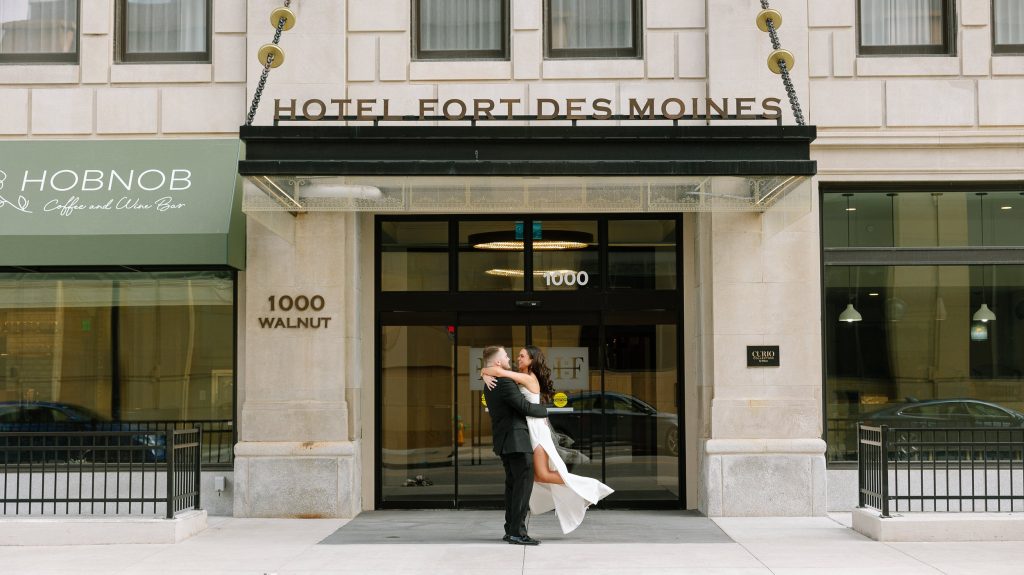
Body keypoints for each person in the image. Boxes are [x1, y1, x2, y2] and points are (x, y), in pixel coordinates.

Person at [482, 345, 613, 535]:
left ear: (532, 360)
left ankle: (585, 486)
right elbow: (497, 371)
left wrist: (486, 371)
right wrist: (486, 372)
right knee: (538, 475)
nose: (517, 358)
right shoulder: (512, 379)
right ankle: (580, 487)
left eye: (522, 356)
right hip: (528, 430)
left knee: (538, 475)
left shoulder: (527, 378)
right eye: (515, 356)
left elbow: (498, 371)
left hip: (536, 430)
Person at [480, 345, 549, 546]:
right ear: (498, 362)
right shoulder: (504, 382)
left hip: (505, 440)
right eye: (505, 355)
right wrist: (548, 411)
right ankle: (517, 532)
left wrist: (483, 372)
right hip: (516, 440)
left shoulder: (491, 381)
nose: (509, 357)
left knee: (512, 485)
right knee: (522, 486)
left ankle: (510, 529)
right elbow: (525, 407)